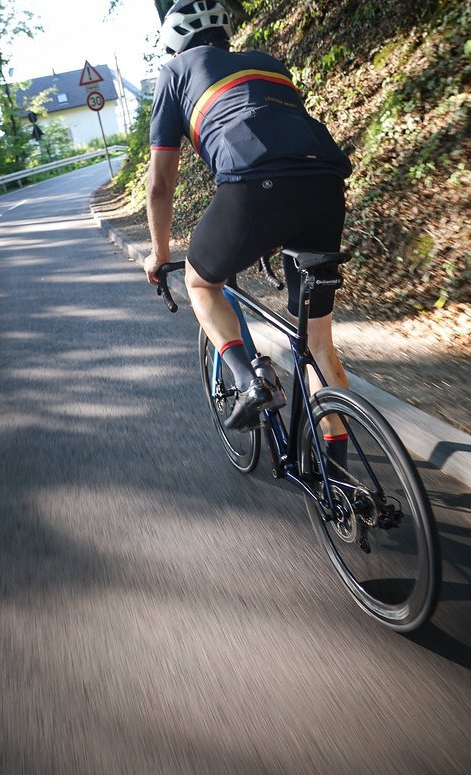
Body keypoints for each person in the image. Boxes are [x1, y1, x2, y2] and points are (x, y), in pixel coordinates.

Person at [142, 0, 353, 446]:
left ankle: (248, 381)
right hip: (326, 187)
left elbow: (160, 185)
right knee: (318, 343)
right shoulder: (268, 64)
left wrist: (160, 254)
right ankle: (344, 489)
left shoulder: (176, 72)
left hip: (254, 186)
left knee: (201, 284)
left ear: (172, 40)